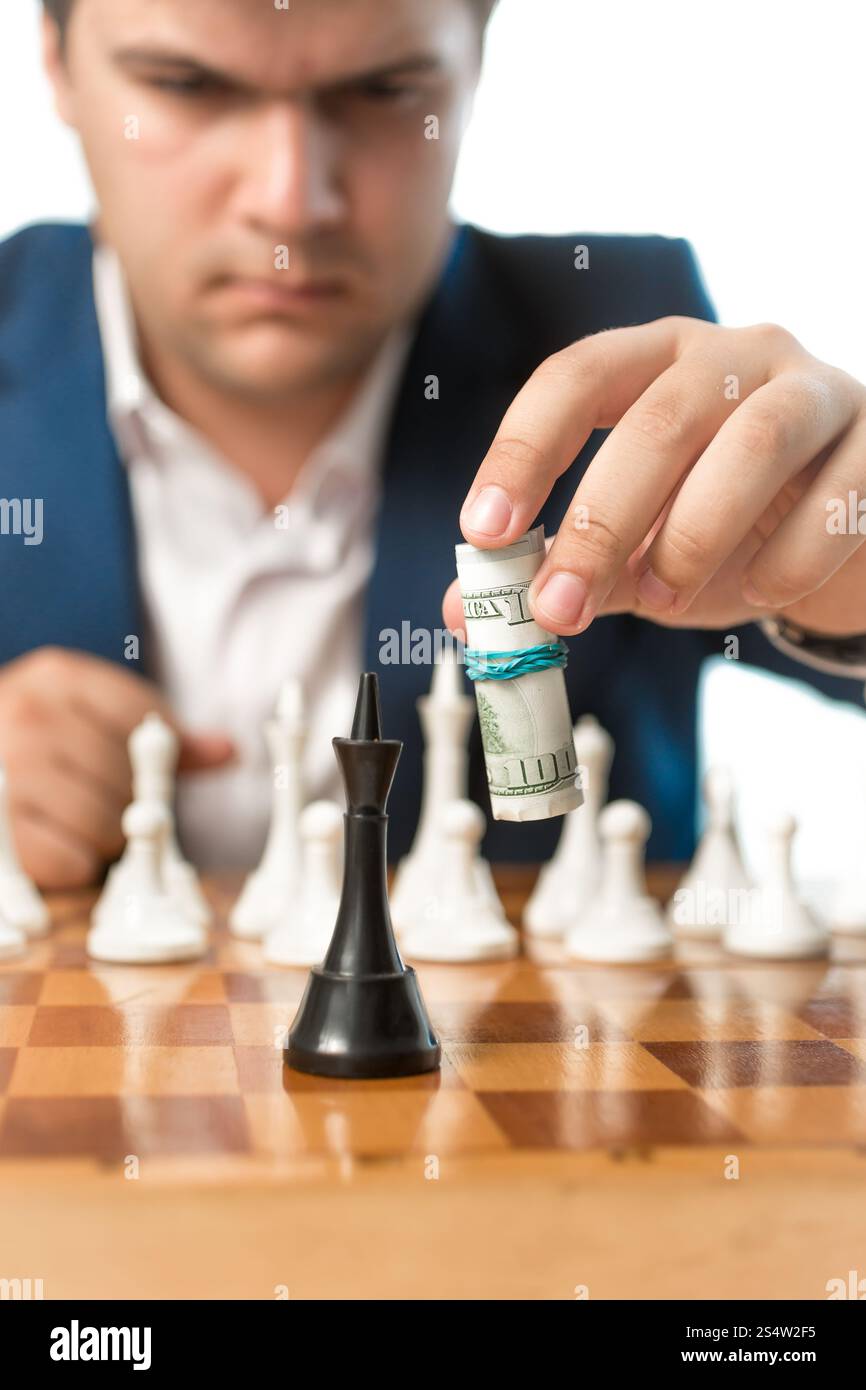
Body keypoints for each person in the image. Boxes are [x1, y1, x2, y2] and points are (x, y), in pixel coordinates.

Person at [1, 0, 865, 889]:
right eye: (186, 85)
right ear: (56, 63)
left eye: (385, 89)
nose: (290, 203)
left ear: (476, 60)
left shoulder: (632, 342)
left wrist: (845, 554)